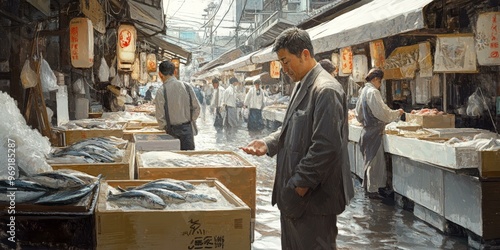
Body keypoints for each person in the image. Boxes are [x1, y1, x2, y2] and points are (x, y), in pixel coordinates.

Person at [240, 27, 354, 249]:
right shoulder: (302, 84)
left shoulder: (326, 90)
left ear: (304, 54)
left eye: (285, 61)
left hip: (313, 201)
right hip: (296, 199)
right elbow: (291, 126)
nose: (284, 69)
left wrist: (298, 187)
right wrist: (268, 143)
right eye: (281, 63)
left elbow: (326, 147)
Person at [355, 68, 404, 199]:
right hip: (374, 132)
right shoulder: (372, 92)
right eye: (380, 82)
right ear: (376, 80)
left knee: (370, 161)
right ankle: (373, 191)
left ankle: (371, 189)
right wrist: (396, 113)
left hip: (366, 131)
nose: (380, 84)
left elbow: (358, 114)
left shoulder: (363, 91)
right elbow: (383, 113)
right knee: (374, 163)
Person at [154, 60, 200, 150]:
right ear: (175, 72)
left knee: (173, 160)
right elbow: (197, 108)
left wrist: (164, 127)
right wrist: (190, 120)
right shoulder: (187, 86)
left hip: (171, 132)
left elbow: (160, 117)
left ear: (160, 74)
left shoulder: (161, 91)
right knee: (187, 160)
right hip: (187, 131)